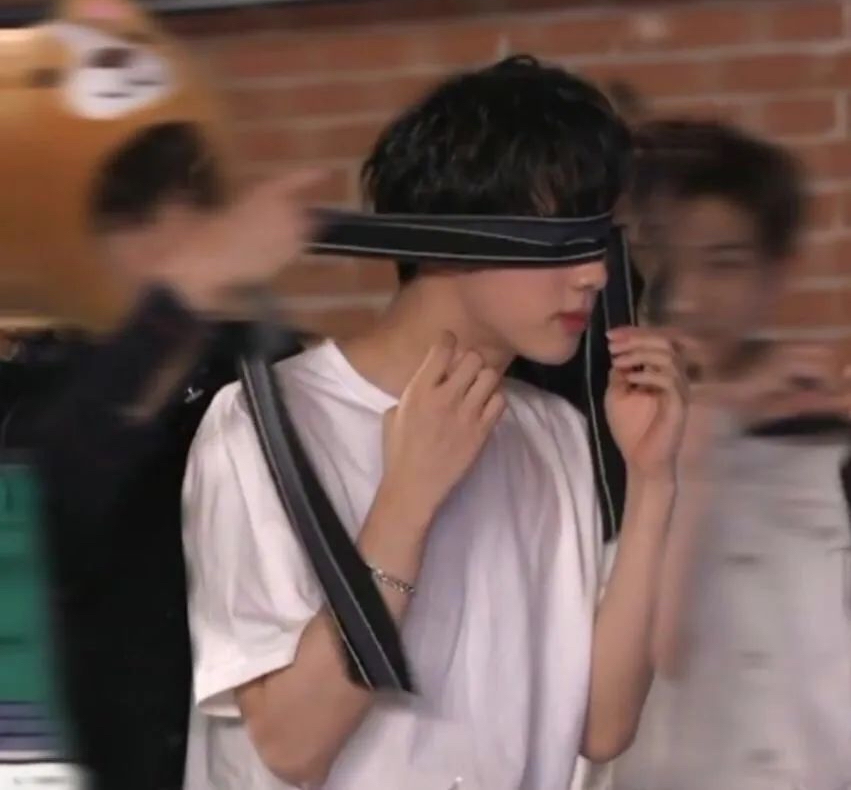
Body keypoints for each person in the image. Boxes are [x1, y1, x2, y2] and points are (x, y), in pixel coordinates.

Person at [181, 55, 688, 790]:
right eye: (558, 237)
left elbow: (601, 725)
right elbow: (290, 744)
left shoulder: (551, 433)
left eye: (600, 239)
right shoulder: (264, 428)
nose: (595, 275)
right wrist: (406, 502)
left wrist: (653, 482)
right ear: (449, 237)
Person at [2, 121, 320, 790]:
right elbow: (50, 505)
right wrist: (180, 300)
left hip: (254, 746)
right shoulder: (47, 380)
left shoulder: (277, 368)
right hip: (101, 746)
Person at [607, 119, 851, 790]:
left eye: (724, 263)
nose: (688, 296)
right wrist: (715, 422)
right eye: (665, 259)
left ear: (776, 273)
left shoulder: (826, 446)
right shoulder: (599, 445)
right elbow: (659, 651)